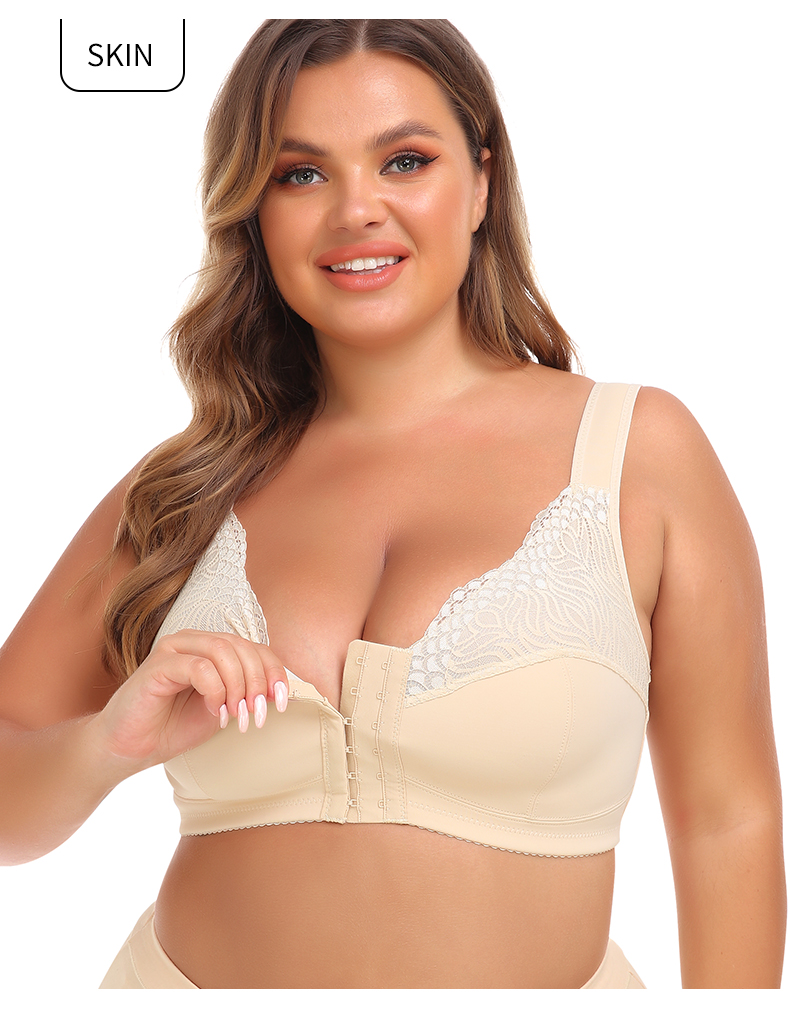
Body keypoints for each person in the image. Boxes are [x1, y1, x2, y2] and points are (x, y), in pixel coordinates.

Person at [0, 18, 784, 989]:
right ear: (254, 213)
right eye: (300, 174)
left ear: (482, 183)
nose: (355, 210)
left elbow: (727, 820)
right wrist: (103, 745)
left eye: (404, 160)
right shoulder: (183, 490)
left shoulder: (636, 453)